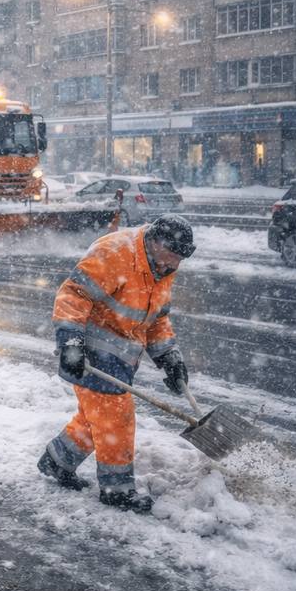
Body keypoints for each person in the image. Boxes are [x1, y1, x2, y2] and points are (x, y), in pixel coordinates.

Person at [37, 214, 196, 514]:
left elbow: (156, 318)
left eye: (176, 262)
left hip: (123, 357)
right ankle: (117, 490)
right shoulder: (115, 253)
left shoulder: (164, 266)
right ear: (154, 242)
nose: (170, 268)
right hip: (90, 351)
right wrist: (71, 343)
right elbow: (73, 294)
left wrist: (169, 358)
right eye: (167, 259)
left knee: (95, 417)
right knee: (117, 417)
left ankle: (57, 461)